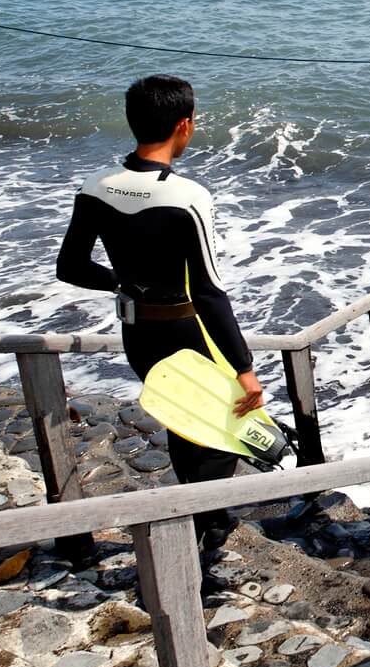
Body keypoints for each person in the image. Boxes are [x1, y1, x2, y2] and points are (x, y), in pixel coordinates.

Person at [56, 74, 262, 556]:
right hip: (186, 330)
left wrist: (122, 283)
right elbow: (210, 292)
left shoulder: (97, 188)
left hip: (138, 333)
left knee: (183, 422)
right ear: (184, 126)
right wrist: (245, 368)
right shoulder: (186, 196)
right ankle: (193, 534)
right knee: (220, 435)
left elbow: (71, 267)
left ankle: (207, 523)